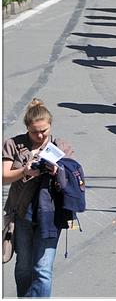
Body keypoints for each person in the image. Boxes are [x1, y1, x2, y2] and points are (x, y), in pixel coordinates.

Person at [3, 99, 75, 297]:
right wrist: (24, 171)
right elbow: (3, 176)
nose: (41, 135)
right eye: (35, 131)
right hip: (22, 215)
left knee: (42, 270)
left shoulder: (61, 146)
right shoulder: (14, 145)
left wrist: (58, 171)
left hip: (51, 216)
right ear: (27, 127)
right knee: (24, 267)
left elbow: (73, 181)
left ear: (50, 125)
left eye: (44, 130)